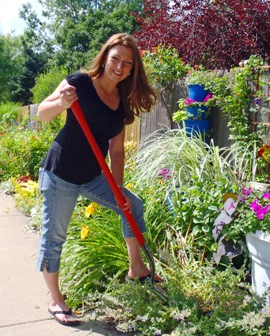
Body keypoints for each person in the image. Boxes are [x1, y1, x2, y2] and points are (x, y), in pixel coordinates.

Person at [36, 33, 160, 326]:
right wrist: (62, 104)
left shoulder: (122, 103)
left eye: (127, 63)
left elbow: (117, 152)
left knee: (132, 205)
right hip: (60, 173)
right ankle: (55, 299)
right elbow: (42, 114)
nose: (120, 66)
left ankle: (137, 268)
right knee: (55, 238)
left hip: (93, 175)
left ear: (132, 69)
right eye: (115, 58)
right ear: (104, 57)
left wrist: (118, 189)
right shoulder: (78, 83)